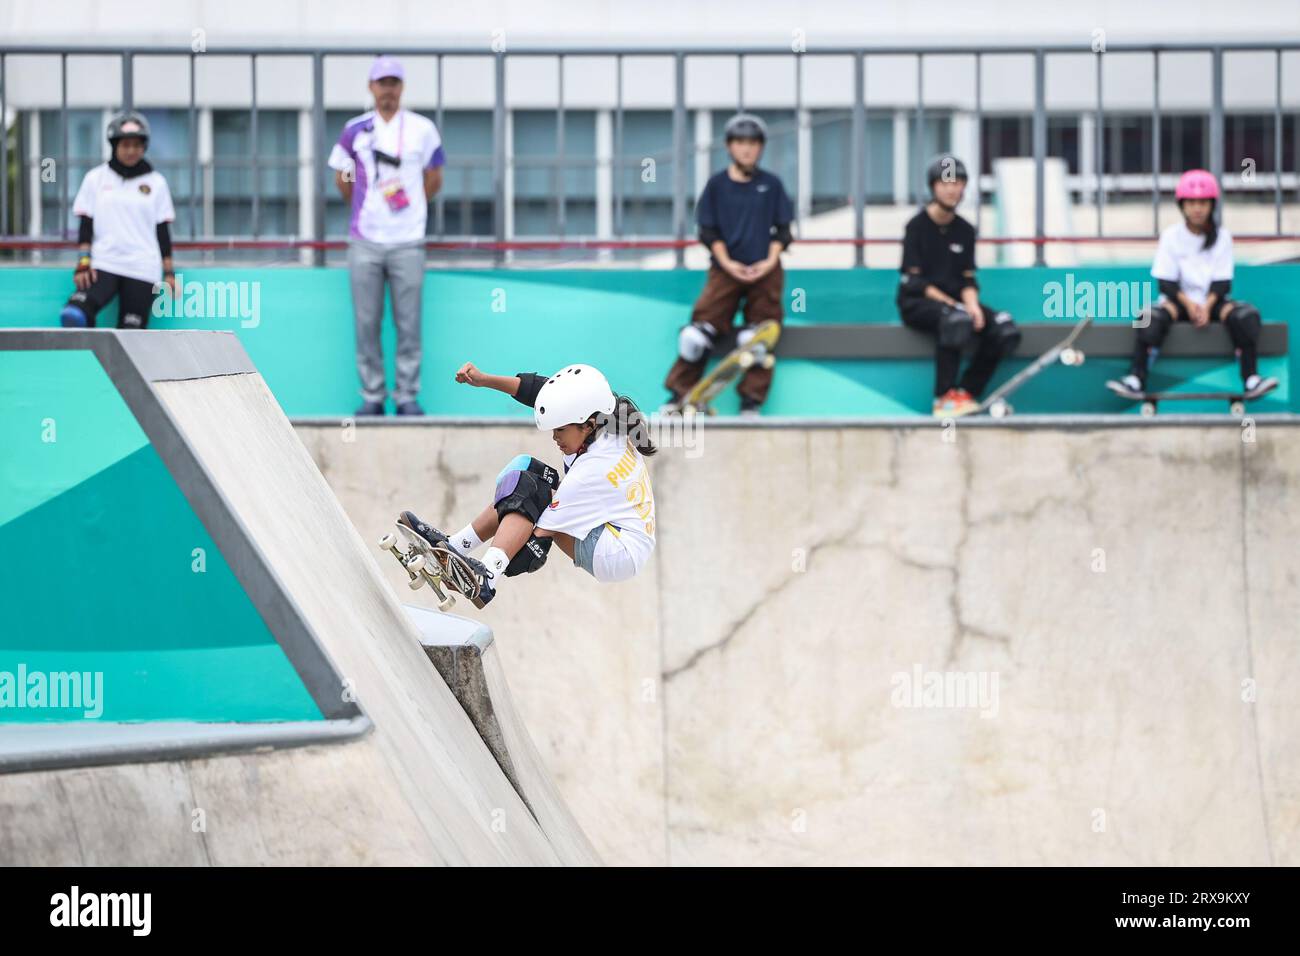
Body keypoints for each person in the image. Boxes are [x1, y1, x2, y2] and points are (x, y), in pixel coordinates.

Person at [399, 362, 657, 606]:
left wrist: (470, 578)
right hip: (618, 531)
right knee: (524, 467)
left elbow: (533, 544)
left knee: (529, 490)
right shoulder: (603, 413)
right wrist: (484, 379)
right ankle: (455, 546)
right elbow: (537, 390)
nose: (554, 437)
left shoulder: (593, 469)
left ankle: (485, 576)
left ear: (588, 425)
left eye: (560, 430)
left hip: (614, 552)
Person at [329, 55, 446, 416]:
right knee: (366, 321)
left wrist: (411, 211)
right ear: (371, 87)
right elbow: (342, 177)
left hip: (408, 240)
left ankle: (407, 395)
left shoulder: (422, 129)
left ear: (402, 87)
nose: (388, 89)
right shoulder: (355, 129)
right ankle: (373, 395)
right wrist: (365, 204)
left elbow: (435, 177)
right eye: (382, 82)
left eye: (394, 82)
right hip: (365, 240)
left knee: (408, 322)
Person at [662, 113, 793, 416]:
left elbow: (783, 232)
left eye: (752, 144)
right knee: (694, 338)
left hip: (766, 270)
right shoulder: (717, 186)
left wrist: (767, 262)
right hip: (725, 269)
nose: (747, 150)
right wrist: (730, 264)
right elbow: (709, 232)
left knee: (758, 340)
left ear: (760, 148)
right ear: (730, 147)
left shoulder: (771, 185)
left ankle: (751, 402)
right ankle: (679, 394)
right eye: (740, 143)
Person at [1111, 169, 1274, 399]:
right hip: (1179, 301)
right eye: (1192, 202)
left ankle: (1251, 379)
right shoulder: (1171, 236)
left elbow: (1222, 283)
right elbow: (1166, 282)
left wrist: (1207, 307)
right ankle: (1136, 379)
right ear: (1182, 205)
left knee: (1246, 317)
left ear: (1211, 205)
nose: (1197, 208)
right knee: (1148, 319)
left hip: (1212, 302)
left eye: (1203, 202)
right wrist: (1189, 305)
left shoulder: (1222, 237)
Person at [896, 154, 1019, 418]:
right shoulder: (916, 227)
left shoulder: (965, 230)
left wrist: (973, 306)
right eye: (945, 183)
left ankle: (964, 392)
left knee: (1003, 328)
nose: (952, 189)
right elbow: (913, 281)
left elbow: (967, 278)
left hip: (957, 302)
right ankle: (943, 396)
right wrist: (955, 306)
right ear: (933, 187)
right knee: (957, 321)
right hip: (918, 302)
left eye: (958, 183)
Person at [59, 111, 176, 329]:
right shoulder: (96, 178)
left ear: (144, 147)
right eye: (125, 145)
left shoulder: (157, 183)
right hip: (104, 263)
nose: (131, 150)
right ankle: (88, 363)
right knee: (74, 315)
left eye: (137, 145)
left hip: (142, 267)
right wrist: (83, 263)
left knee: (131, 336)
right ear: (115, 146)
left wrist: (169, 272)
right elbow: (86, 225)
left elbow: (162, 231)